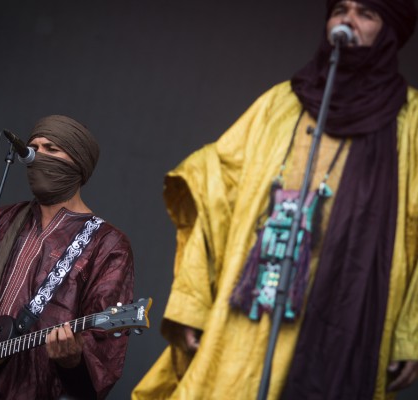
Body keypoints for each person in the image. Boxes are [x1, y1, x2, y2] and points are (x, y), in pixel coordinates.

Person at [132, 0, 418, 399]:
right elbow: (215, 194)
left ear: (388, 33)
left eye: (365, 13)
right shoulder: (281, 103)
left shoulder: (411, 120)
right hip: (249, 314)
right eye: (340, 10)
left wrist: (410, 331)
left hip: (344, 317)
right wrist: (192, 303)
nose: (347, 21)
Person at [0, 115, 134, 399]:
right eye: (33, 147)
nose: (37, 156)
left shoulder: (107, 245)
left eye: (51, 149)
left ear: (78, 162)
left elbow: (104, 354)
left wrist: (72, 361)